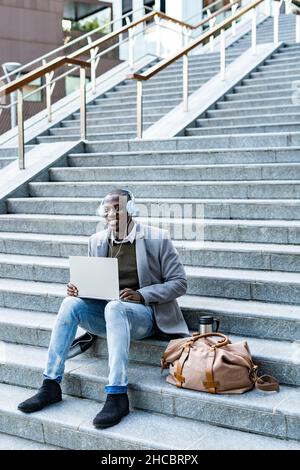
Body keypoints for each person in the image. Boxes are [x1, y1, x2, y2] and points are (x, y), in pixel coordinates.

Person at [18, 188, 189, 428]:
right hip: (110, 313)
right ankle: (50, 384)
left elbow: (180, 283)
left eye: (117, 207)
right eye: (107, 209)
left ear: (130, 210)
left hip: (146, 315)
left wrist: (141, 295)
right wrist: (80, 289)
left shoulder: (156, 238)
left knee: (115, 308)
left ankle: (117, 395)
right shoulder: (96, 241)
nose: (111, 213)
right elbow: (98, 285)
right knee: (71, 304)